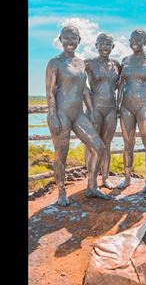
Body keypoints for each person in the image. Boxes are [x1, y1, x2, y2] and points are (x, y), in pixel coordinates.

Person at [45, 25, 108, 206]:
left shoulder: (81, 63)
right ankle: (61, 191)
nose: (70, 42)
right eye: (66, 38)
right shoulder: (54, 63)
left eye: (74, 38)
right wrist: (53, 115)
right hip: (61, 113)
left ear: (79, 41)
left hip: (78, 114)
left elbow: (85, 91)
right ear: (60, 40)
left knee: (99, 147)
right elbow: (49, 92)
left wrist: (93, 110)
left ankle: (92, 186)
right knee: (61, 155)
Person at [116, 29, 146, 193]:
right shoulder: (125, 60)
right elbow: (121, 85)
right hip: (126, 105)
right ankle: (127, 177)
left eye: (139, 39)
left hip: (145, 105)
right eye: (133, 39)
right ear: (129, 41)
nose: (136, 41)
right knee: (128, 143)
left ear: (145, 41)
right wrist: (117, 104)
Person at [84, 33, 121, 190]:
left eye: (109, 43)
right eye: (102, 43)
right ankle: (90, 179)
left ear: (113, 46)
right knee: (92, 146)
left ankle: (105, 178)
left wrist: (119, 105)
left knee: (106, 145)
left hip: (111, 109)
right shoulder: (88, 63)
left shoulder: (117, 65)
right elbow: (76, 82)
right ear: (96, 45)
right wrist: (89, 100)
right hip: (95, 109)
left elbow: (120, 86)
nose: (105, 46)